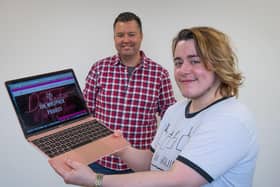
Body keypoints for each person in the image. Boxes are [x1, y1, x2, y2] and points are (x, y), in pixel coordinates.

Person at [49, 26, 259, 187]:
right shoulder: (175, 111)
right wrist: (119, 147)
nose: (183, 70)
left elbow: (176, 180)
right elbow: (152, 162)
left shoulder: (230, 119)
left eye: (195, 61)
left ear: (219, 63)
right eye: (178, 62)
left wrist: (96, 180)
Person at [83, 11, 176, 174]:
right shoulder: (99, 68)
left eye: (131, 34)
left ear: (141, 36)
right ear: (114, 38)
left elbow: (171, 120)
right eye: (120, 35)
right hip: (100, 161)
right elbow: (85, 114)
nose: (126, 40)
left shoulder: (159, 74)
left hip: (139, 167)